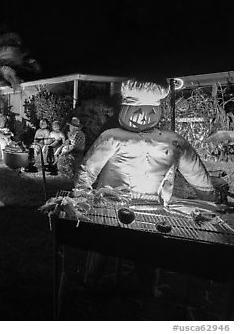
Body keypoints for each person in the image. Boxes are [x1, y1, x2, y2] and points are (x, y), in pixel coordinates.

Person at [75, 79, 216, 296]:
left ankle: (148, 286)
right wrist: (82, 196)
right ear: (126, 109)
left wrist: (209, 198)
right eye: (138, 110)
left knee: (149, 248)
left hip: (155, 206)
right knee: (103, 244)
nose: (143, 116)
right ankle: (90, 281)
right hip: (112, 204)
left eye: (151, 110)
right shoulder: (113, 137)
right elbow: (89, 168)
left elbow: (195, 171)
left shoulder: (172, 141)